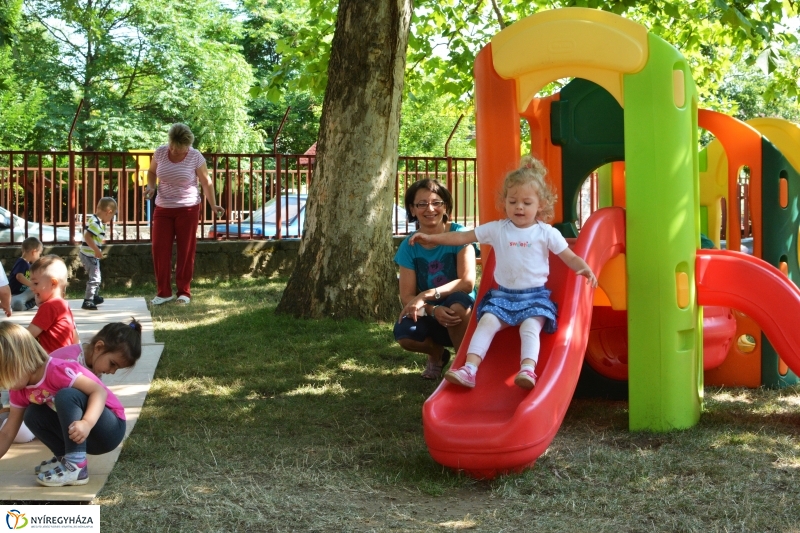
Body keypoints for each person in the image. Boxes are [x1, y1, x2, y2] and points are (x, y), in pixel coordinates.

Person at [409, 155, 597, 389]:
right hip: (503, 297)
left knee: (530, 327)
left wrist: (584, 268)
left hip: (534, 298)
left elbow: (568, 256)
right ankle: (470, 369)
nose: (519, 207)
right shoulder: (498, 229)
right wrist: (431, 237)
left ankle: (527, 370)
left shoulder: (546, 233)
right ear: (505, 202)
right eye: (513, 201)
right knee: (486, 322)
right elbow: (462, 237)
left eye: (527, 203)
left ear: (541, 205)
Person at [0, 322, 126, 487]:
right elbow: (7, 432)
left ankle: (76, 466)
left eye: (3, 376)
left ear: (19, 362)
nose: (3, 384)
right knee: (32, 413)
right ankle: (65, 461)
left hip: (109, 428)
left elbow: (99, 392)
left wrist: (87, 423)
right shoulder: (19, 390)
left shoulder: (57, 370)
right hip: (83, 433)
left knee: (66, 395)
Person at [394, 179, 476, 380]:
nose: (430, 209)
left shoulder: (461, 235)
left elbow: (466, 283)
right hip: (430, 311)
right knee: (405, 333)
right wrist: (432, 309)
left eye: (436, 202)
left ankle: (463, 368)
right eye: (421, 204)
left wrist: (428, 294)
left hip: (462, 309)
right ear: (412, 210)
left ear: (445, 206)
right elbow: (407, 296)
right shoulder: (409, 245)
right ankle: (437, 354)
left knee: (456, 306)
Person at [145, 123, 225, 306]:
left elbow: (206, 182)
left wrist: (213, 205)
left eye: (179, 148)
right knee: (159, 249)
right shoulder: (160, 152)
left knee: (185, 251)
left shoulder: (195, 157)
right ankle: (163, 292)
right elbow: (151, 172)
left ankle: (184, 293)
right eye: (172, 145)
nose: (174, 150)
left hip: (187, 209)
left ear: (188, 145)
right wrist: (151, 187)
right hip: (163, 208)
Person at [50, 319, 142, 377]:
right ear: (98, 347)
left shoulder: (95, 363)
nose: (113, 372)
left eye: (117, 369)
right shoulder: (71, 362)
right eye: (113, 364)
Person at [27, 255, 79, 354]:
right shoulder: (63, 305)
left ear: (53, 283)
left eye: (36, 283)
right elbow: (75, 338)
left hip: (51, 362)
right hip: (65, 360)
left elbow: (28, 335)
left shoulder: (49, 307)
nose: (31, 287)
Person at [79, 197, 117, 311]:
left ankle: (94, 296)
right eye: (111, 217)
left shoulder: (95, 220)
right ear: (108, 212)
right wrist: (96, 249)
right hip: (89, 255)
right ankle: (88, 300)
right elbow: (87, 236)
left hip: (90, 254)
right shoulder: (96, 223)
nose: (110, 220)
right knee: (95, 278)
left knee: (96, 276)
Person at [9, 236, 41, 312]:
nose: (39, 256)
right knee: (18, 305)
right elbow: (19, 276)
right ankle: (31, 303)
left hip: (25, 294)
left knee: (40, 288)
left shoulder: (29, 264)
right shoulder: (22, 262)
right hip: (16, 295)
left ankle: (39, 302)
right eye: (39, 253)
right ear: (34, 252)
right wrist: (32, 285)